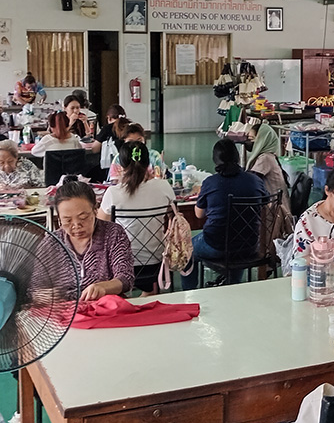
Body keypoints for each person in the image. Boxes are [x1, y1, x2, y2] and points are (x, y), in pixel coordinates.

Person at [49, 178, 134, 423]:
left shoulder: (113, 234)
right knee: (61, 379)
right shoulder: (54, 242)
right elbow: (45, 287)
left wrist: (103, 287)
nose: (76, 226)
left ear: (95, 210)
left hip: (106, 319)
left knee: (99, 373)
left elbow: (125, 278)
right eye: (67, 220)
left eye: (83, 218)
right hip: (67, 323)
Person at [181, 139, 269, 290]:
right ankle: (232, 285)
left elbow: (199, 214)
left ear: (215, 160)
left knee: (187, 248)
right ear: (238, 157)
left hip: (216, 245)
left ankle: (188, 293)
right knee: (239, 232)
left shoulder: (210, 182)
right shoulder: (255, 180)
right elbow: (267, 205)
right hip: (250, 245)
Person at [98, 142, 176, 296]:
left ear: (120, 166)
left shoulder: (113, 193)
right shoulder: (164, 187)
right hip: (156, 262)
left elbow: (99, 226)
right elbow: (173, 219)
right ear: (149, 163)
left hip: (120, 265)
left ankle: (121, 299)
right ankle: (149, 295)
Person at [246, 123, 294, 239]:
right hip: (275, 206)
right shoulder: (269, 156)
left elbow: (250, 182)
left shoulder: (265, 158)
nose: (248, 142)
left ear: (262, 140)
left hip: (275, 212)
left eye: (251, 139)